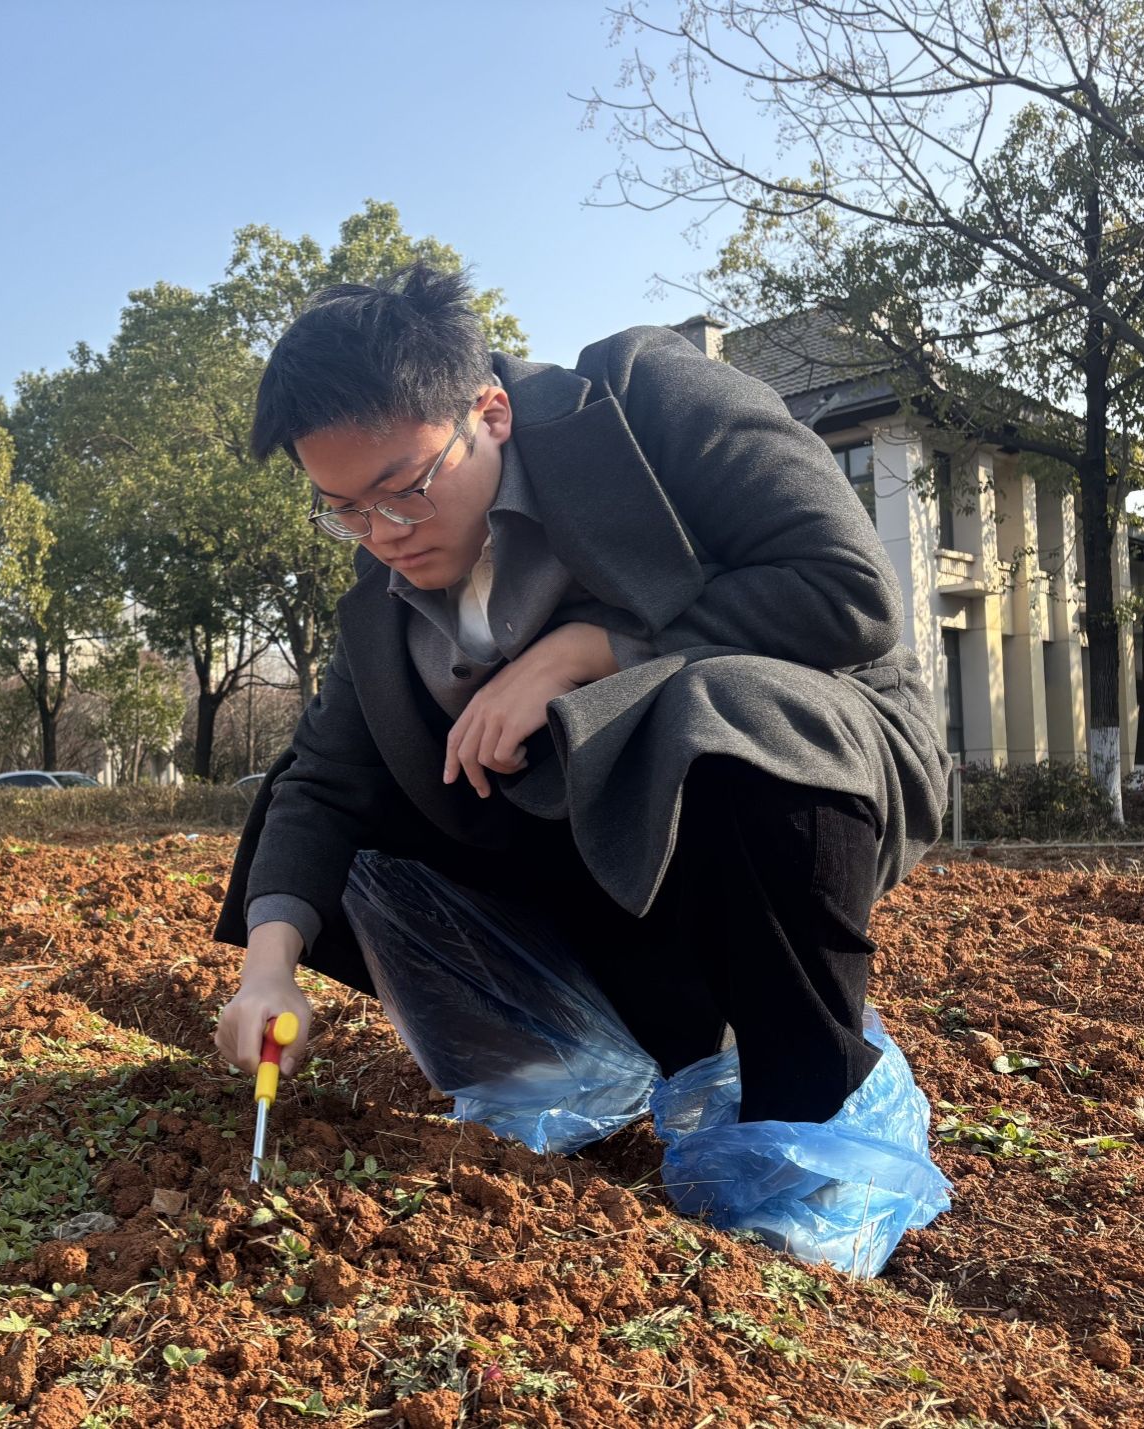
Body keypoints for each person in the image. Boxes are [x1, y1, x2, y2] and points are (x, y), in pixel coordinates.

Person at [212, 264, 952, 1274]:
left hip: (792, 757)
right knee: (327, 795)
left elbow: (845, 591)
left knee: (713, 707)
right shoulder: (387, 585)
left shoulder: (647, 401)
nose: (384, 534)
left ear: (490, 412)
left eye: (406, 488)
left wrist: (582, 652)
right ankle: (567, 1058)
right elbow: (324, 779)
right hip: (584, 833)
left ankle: (806, 1119)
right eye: (343, 508)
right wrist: (268, 971)